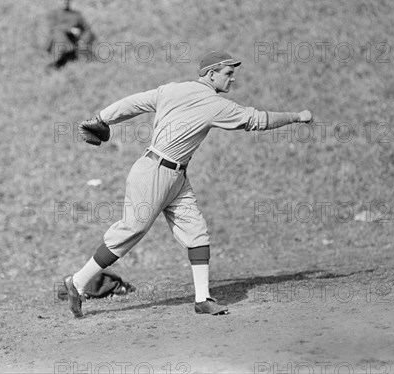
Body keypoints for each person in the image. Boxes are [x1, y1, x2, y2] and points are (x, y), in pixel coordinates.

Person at [67, 51, 313, 318]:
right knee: (130, 230)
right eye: (228, 74)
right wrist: (297, 116)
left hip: (176, 175)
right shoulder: (216, 105)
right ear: (211, 74)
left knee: (196, 232)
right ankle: (78, 282)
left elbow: (134, 103)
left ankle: (203, 299)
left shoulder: (172, 90)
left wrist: (104, 118)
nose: (232, 80)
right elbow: (258, 120)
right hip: (154, 173)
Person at [46, 0, 95, 70]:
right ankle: (59, 60)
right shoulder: (53, 14)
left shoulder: (76, 15)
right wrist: (70, 29)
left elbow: (88, 30)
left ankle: (70, 57)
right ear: (57, 0)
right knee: (58, 33)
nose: (65, 1)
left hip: (75, 43)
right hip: (57, 44)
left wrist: (82, 40)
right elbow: (52, 29)